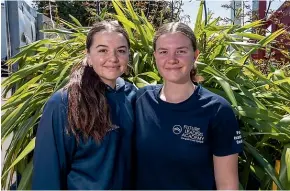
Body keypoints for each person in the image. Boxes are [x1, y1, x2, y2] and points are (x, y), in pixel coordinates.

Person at [134, 22, 243, 190]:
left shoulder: (218, 110)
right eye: (164, 52)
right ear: (155, 55)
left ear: (195, 55)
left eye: (181, 51)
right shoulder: (140, 100)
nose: (172, 59)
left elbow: (227, 185)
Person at [32, 20, 136, 190]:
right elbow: (47, 174)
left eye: (121, 51)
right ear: (88, 55)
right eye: (103, 50)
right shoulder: (64, 103)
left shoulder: (133, 97)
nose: (113, 58)